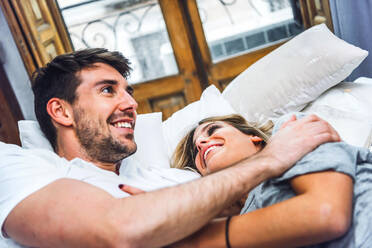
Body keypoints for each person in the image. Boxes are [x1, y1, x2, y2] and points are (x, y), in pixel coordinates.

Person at [0, 48, 340, 248]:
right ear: (61, 111)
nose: (131, 103)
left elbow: (254, 216)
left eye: (128, 92)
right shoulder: (20, 166)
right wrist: (271, 158)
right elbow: (118, 228)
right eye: (108, 90)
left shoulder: (172, 179)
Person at [171, 113, 372, 247]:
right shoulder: (240, 218)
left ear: (253, 138)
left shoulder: (291, 132)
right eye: (194, 150)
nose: (200, 142)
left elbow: (327, 214)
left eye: (213, 130)